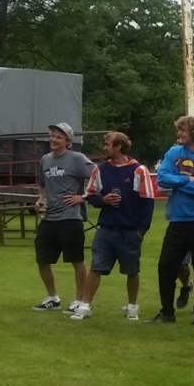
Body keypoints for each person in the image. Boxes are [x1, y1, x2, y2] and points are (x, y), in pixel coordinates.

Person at [72, 131, 156, 320]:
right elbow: (91, 195)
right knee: (96, 266)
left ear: (118, 147)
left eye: (107, 144)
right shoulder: (100, 170)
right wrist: (103, 200)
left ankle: (132, 307)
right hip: (106, 229)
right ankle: (85, 306)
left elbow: (148, 201)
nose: (104, 148)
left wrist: (141, 230)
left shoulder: (138, 170)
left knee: (132, 270)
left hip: (130, 231)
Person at [153, 116, 194, 325]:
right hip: (177, 220)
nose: (179, 134)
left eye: (183, 130)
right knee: (166, 265)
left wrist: (177, 184)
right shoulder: (174, 153)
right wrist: (185, 179)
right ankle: (166, 312)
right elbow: (161, 178)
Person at [32, 122, 95, 313]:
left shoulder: (77, 159)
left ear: (68, 141)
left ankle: (79, 300)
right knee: (42, 259)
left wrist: (83, 197)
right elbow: (42, 184)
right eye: (52, 136)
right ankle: (53, 298)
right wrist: (41, 199)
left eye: (58, 137)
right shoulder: (45, 160)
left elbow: (98, 177)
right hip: (49, 218)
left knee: (76, 260)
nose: (53, 140)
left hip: (71, 218)